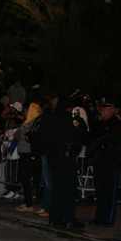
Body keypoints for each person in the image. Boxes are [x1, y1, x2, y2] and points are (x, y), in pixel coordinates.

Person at [36, 91, 88, 228]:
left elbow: (42, 136)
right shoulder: (70, 120)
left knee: (57, 187)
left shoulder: (50, 119)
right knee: (69, 188)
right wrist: (79, 119)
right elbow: (82, 131)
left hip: (52, 157)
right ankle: (69, 218)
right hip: (66, 156)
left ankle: (55, 218)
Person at [84, 98, 121, 227]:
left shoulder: (117, 125)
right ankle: (100, 217)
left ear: (113, 110)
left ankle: (107, 219)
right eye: (101, 108)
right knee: (101, 190)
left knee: (109, 191)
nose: (102, 111)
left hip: (109, 161)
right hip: (99, 161)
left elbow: (119, 145)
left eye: (106, 108)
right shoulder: (99, 125)